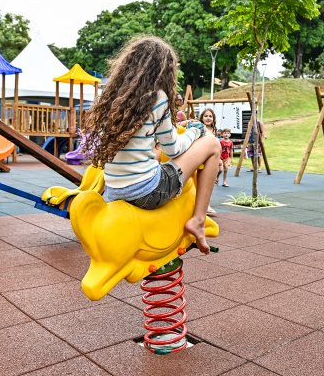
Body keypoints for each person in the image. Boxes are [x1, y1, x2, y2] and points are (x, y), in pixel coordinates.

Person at [81, 35, 220, 254]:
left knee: (156, 158)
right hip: (147, 192)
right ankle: (199, 220)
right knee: (213, 144)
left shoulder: (113, 97)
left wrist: (175, 126)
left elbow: (142, 137)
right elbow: (173, 148)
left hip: (114, 191)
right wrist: (194, 131)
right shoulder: (158, 97)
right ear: (164, 71)